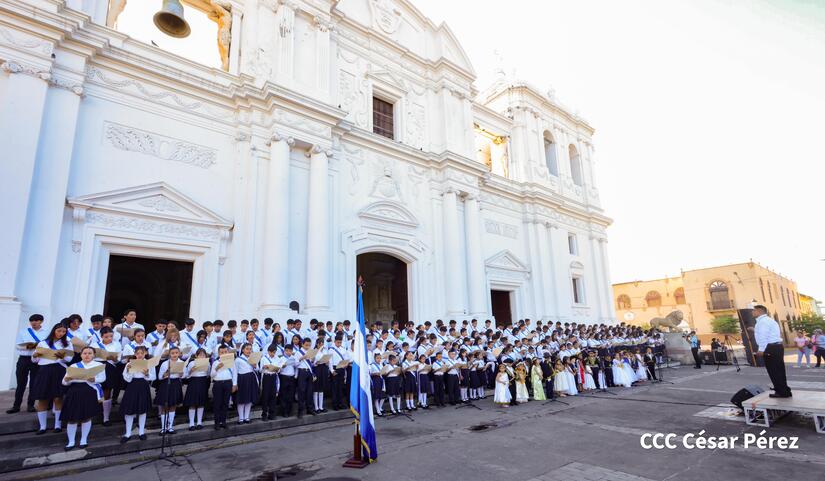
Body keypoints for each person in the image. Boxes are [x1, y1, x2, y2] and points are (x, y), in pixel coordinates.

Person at [31, 321, 74, 434]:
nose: (61, 333)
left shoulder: (67, 343)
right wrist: (34, 356)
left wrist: (62, 356)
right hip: (44, 370)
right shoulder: (43, 343)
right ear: (54, 330)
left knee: (58, 397)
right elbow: (35, 360)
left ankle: (57, 425)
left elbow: (69, 360)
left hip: (59, 369)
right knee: (42, 398)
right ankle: (42, 427)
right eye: (59, 331)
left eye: (64, 331)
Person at [61, 346, 106, 450]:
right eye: (85, 353)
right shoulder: (74, 365)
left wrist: (94, 378)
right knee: (72, 418)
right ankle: (71, 441)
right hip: (74, 392)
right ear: (81, 355)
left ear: (94, 355)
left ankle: (83, 439)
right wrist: (67, 379)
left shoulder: (98, 365)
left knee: (86, 417)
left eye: (90, 353)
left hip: (89, 391)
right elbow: (63, 382)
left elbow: (103, 378)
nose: (87, 355)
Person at [8, 314, 48, 414]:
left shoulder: (46, 333)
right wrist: (27, 347)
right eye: (31, 321)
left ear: (41, 321)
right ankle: (16, 406)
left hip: (37, 359)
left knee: (34, 383)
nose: (33, 323)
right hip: (24, 359)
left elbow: (48, 346)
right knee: (21, 384)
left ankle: (31, 405)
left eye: (36, 321)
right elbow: (17, 346)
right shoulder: (24, 332)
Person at [753, 305, 791, 398]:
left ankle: (781, 392)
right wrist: (753, 329)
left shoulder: (762, 322)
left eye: (754, 311)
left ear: (759, 311)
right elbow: (768, 333)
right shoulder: (769, 320)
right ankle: (784, 390)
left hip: (770, 347)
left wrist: (761, 350)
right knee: (779, 370)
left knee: (774, 371)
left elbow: (763, 336)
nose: (752, 312)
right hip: (776, 347)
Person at [121, 345, 155, 443]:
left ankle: (141, 432)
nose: (140, 355)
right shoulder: (129, 363)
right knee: (129, 410)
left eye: (142, 353)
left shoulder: (149, 363)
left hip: (143, 386)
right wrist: (129, 370)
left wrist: (147, 374)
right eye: (137, 353)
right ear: (135, 354)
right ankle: (128, 433)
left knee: (142, 409)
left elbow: (153, 377)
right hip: (132, 386)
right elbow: (126, 379)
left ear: (145, 353)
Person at [155, 346, 185, 434]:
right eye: (172, 353)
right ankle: (163, 427)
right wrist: (167, 373)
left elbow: (185, 375)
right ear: (169, 354)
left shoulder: (181, 363)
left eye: (176, 353)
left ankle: (170, 427)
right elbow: (160, 377)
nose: (174, 355)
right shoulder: (165, 363)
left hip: (176, 384)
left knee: (173, 405)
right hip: (166, 384)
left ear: (179, 354)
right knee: (165, 406)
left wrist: (181, 374)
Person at [210, 344, 237, 429]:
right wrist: (216, 368)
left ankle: (223, 421)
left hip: (228, 383)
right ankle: (217, 423)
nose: (224, 353)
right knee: (217, 404)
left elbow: (234, 373)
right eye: (222, 352)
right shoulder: (215, 362)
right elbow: (212, 375)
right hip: (218, 384)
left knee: (226, 403)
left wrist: (234, 384)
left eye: (225, 351)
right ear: (218, 353)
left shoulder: (231, 362)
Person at [183, 348, 210, 430]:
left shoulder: (208, 363)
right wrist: (191, 371)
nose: (202, 356)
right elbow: (186, 375)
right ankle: (191, 423)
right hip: (193, 382)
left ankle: (199, 422)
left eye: (203, 355)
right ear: (196, 356)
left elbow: (208, 374)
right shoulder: (192, 363)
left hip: (202, 382)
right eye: (200, 355)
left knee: (201, 403)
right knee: (192, 403)